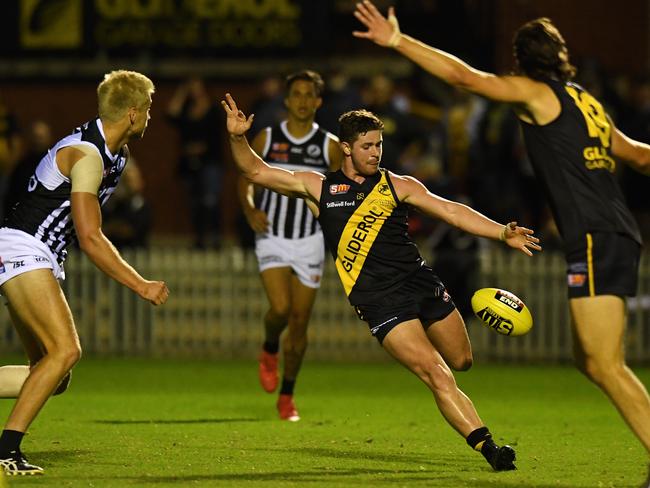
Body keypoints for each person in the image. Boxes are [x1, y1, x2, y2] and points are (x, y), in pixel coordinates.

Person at [352, 0, 650, 457]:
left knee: (605, 364)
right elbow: (641, 155)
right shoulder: (586, 103)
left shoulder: (538, 94)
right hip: (616, 231)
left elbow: (464, 78)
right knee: (590, 360)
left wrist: (397, 41)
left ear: (522, 62)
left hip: (595, 233)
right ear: (562, 54)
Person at [223, 93, 541, 470]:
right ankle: (490, 449)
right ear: (345, 148)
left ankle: (480, 430)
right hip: (379, 300)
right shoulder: (320, 187)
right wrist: (238, 138)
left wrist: (502, 233)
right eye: (367, 146)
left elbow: (451, 211)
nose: (376, 153)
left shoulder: (397, 184)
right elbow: (256, 172)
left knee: (461, 361)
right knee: (436, 372)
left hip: (420, 282)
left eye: (379, 145)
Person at [0, 70, 169, 475]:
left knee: (53, 375)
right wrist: (140, 284)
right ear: (132, 113)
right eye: (147, 108)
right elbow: (91, 237)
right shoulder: (89, 156)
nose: (150, 115)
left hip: (32, 251)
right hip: (25, 247)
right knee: (67, 351)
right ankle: (7, 451)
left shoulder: (116, 154)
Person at [238, 70, 344, 421]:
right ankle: (269, 349)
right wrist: (250, 207)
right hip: (273, 235)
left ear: (318, 102)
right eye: (295, 94)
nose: (301, 100)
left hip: (310, 239)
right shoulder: (268, 137)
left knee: (299, 323)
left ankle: (287, 395)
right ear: (286, 100)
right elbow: (246, 174)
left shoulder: (329, 145)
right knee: (280, 310)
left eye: (307, 95)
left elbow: (339, 190)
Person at [167, 76, 224, 249]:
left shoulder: (213, 109)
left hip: (210, 161)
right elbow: (171, 114)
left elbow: (217, 137)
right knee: (194, 203)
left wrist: (201, 148)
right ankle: (200, 238)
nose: (194, 90)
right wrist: (181, 92)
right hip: (189, 163)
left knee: (210, 201)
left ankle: (215, 238)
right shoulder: (187, 108)